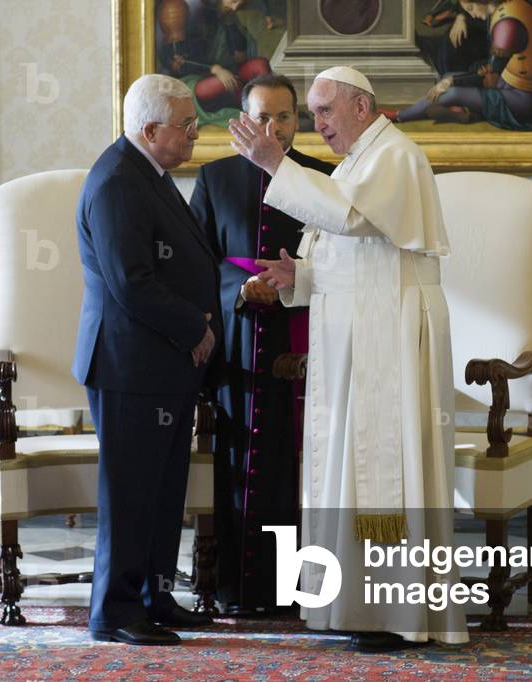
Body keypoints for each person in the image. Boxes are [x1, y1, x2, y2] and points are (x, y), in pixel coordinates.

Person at [228, 66, 469, 650]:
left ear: (361, 107)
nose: (318, 125)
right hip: (362, 330)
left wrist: (272, 165)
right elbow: (357, 248)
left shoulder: (394, 155)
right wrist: (300, 275)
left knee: (387, 465)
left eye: (325, 112)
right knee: (349, 467)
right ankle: (359, 604)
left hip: (389, 331)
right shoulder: (360, 159)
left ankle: (395, 611)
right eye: (312, 114)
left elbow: (353, 219)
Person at [73, 73, 222, 646]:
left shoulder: (148, 173)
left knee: (163, 493)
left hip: (163, 364)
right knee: (131, 493)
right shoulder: (116, 181)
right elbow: (131, 282)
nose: (194, 135)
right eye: (186, 126)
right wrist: (198, 328)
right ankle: (114, 612)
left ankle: (155, 597)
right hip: (129, 366)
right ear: (150, 128)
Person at [189, 74, 335, 616]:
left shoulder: (324, 179)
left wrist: (294, 281)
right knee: (237, 465)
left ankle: (302, 592)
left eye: (283, 118)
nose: (272, 129)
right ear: (242, 122)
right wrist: (238, 289)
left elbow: (341, 259)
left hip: (304, 342)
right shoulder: (215, 178)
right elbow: (199, 264)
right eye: (262, 118)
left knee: (296, 470)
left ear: (298, 121)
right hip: (238, 342)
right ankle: (235, 589)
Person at [391, 0, 532, 129]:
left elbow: (489, 77)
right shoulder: (507, 8)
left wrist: (452, 82)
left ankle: (399, 116)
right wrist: (450, 80)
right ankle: (465, 111)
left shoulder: (507, 26)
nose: (471, 13)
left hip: (526, 102)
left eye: (471, 7)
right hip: (510, 82)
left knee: (452, 92)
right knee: (447, 77)